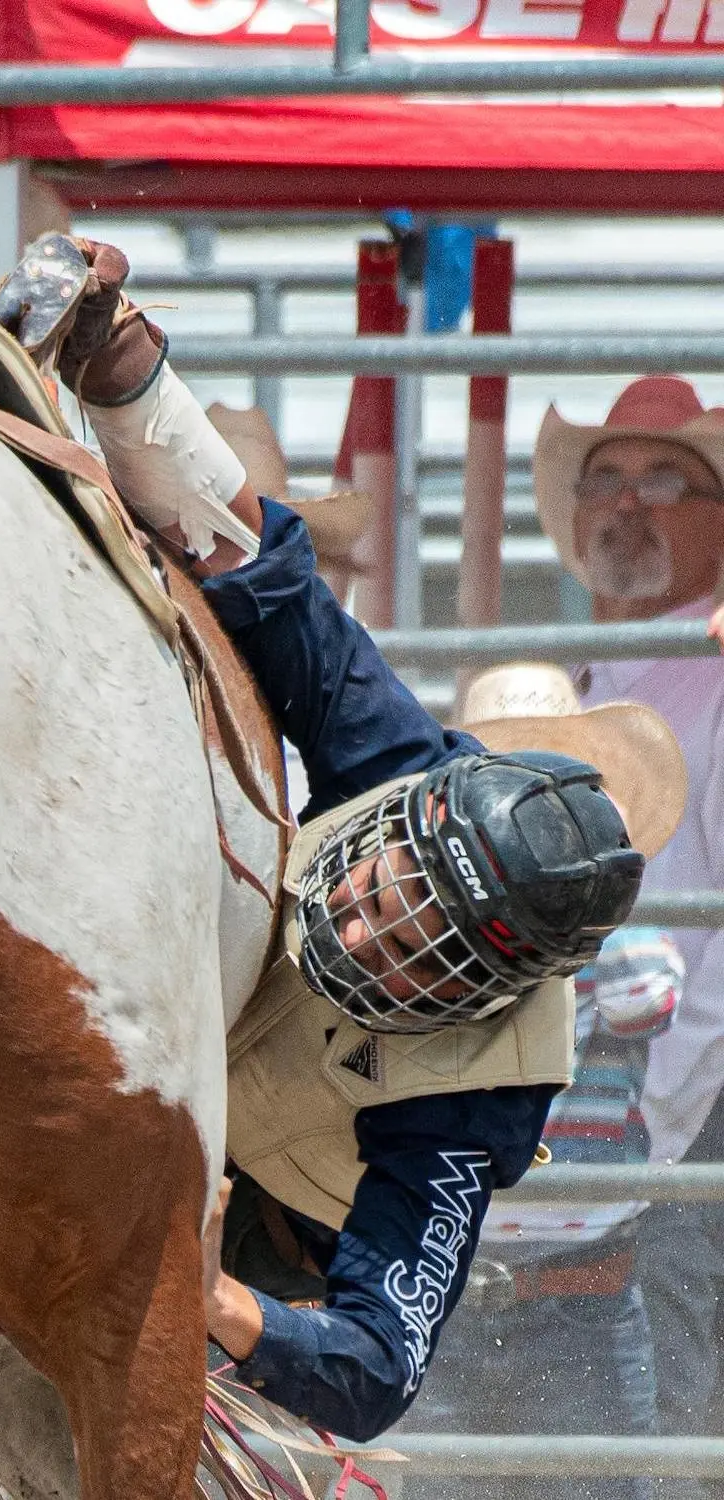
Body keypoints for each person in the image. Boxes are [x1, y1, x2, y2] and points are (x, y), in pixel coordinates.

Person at [0, 236, 648, 1441]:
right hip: (148, 1055)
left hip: (253, 1219)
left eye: (410, 948)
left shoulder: (470, 1110)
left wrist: (204, 1294)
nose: (354, 921)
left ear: (483, 988)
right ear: (417, 814)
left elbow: (374, 1368)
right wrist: (124, 363)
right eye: (385, 886)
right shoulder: (402, 761)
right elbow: (269, 573)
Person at [396, 664, 687, 1500]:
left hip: (579, 1293)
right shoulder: (436, 931)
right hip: (454, 1282)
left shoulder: (609, 929)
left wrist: (585, 880)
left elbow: (649, 992)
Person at [533, 376, 724, 1453]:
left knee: (660, 1437)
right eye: (603, 478)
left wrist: (659, 1130)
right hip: (589, 1135)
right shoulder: (567, 679)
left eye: (664, 479)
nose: (625, 503)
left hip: (678, 1132)